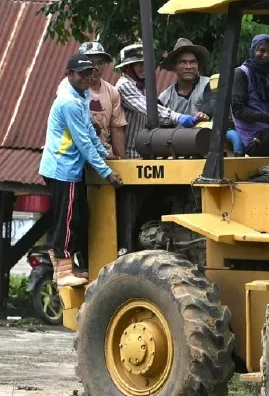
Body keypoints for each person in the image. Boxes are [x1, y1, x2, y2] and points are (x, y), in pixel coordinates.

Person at [40, 54, 123, 286]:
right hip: (61, 167)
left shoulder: (82, 94)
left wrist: (105, 153)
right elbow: (82, 142)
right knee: (66, 220)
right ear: (69, 75)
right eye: (82, 73)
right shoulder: (68, 101)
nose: (88, 77)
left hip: (70, 166)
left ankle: (66, 264)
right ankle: (63, 271)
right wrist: (106, 172)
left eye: (90, 73)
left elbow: (89, 130)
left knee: (76, 218)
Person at [115, 43, 203, 158]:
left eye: (145, 63)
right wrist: (178, 117)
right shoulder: (124, 85)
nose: (143, 68)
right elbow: (150, 109)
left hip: (145, 149)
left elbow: (158, 119)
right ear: (127, 67)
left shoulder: (144, 86)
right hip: (130, 152)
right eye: (138, 64)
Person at [55, 41, 126, 158]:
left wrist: (123, 162)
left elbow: (117, 129)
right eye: (91, 63)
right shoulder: (68, 87)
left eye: (100, 63)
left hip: (104, 153)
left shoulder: (112, 92)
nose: (96, 68)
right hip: (77, 153)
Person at [158, 37, 214, 120]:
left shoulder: (209, 84)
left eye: (192, 62)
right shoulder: (165, 98)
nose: (188, 67)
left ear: (197, 66)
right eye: (183, 62)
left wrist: (204, 115)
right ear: (174, 66)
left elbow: (211, 108)